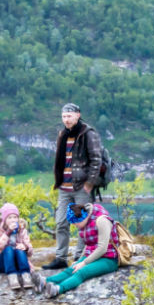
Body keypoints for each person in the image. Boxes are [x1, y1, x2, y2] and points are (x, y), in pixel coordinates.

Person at [42, 102, 105, 270]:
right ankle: (61, 258)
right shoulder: (63, 134)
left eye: (69, 116)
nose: (66, 119)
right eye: (63, 116)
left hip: (81, 187)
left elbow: (96, 160)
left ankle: (80, 257)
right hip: (64, 187)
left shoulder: (88, 134)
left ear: (78, 115)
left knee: (82, 222)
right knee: (61, 222)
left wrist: (90, 183)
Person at [36, 202, 120, 298]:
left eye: (75, 222)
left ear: (82, 217)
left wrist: (84, 263)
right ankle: (45, 282)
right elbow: (88, 244)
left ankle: (57, 289)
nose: (75, 225)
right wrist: (78, 260)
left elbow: (102, 248)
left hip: (109, 259)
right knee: (72, 269)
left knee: (81, 272)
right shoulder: (85, 223)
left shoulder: (102, 221)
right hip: (92, 256)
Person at [0, 203, 34, 292]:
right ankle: (12, 276)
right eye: (10, 218)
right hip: (3, 262)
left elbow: (30, 252)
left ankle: (26, 275)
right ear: (4, 219)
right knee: (8, 249)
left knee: (19, 249)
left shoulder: (22, 230)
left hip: (18, 261)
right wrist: (8, 232)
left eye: (15, 217)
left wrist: (25, 247)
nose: (13, 220)